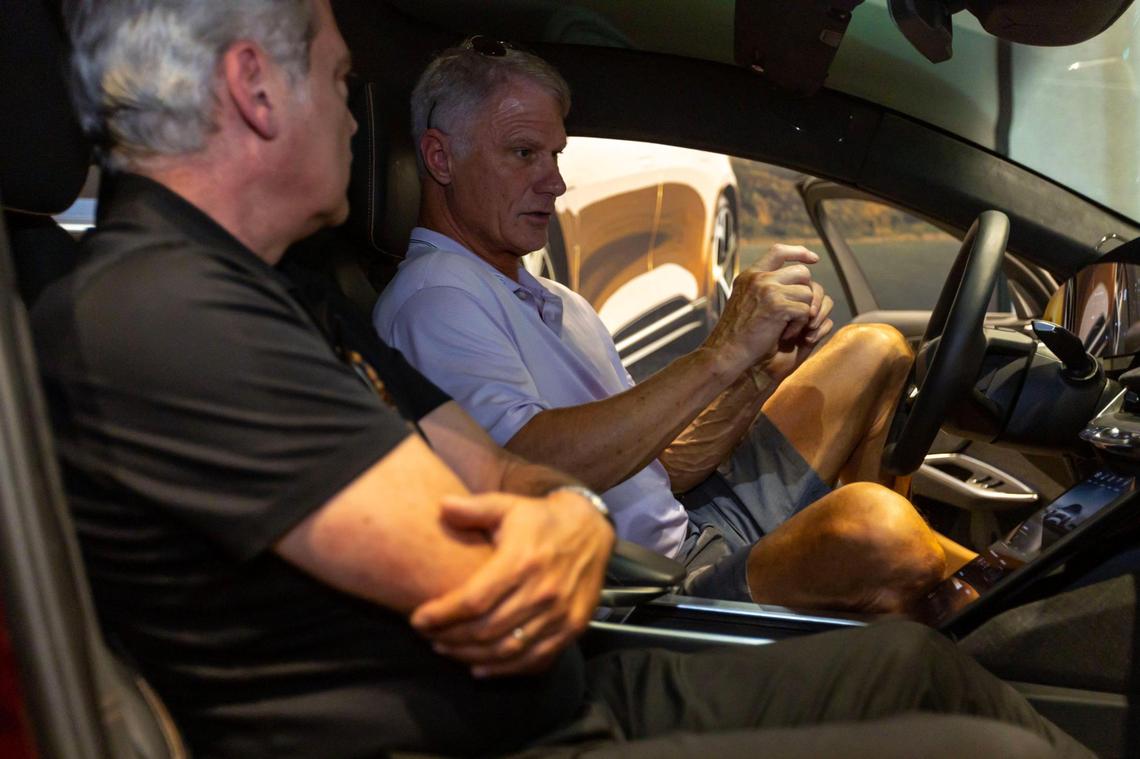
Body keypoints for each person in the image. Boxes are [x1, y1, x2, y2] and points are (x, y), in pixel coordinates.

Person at [33, 1, 1090, 756]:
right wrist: (559, 515)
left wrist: (563, 519)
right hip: (526, 731)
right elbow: (477, 555)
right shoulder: (158, 317)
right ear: (254, 90)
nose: (359, 121)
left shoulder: (293, 301)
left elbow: (515, 481)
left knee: (913, 667)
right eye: (341, 79)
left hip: (578, 685)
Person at [374, 39, 972, 613]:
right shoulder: (435, 299)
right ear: (439, 157)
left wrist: (759, 373)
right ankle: (984, 592)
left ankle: (916, 601)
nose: (554, 181)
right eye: (524, 153)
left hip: (691, 530)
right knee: (877, 528)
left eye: (555, 155)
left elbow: (660, 467)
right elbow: (523, 471)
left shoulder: (549, 298)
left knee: (877, 349)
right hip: (651, 597)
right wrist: (723, 352)